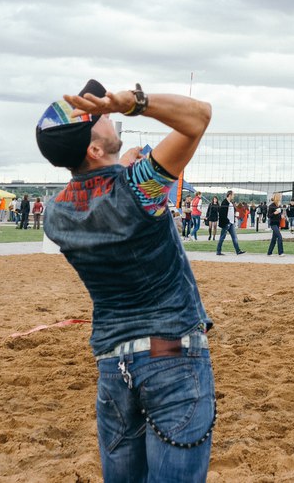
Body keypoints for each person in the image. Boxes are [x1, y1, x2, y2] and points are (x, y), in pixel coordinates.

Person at [36, 77, 216, 481]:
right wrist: (132, 103)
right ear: (94, 148)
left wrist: (119, 168)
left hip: (112, 364)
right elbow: (199, 117)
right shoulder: (139, 187)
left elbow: (98, 196)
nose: (103, 114)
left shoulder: (55, 215)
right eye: (95, 119)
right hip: (172, 355)